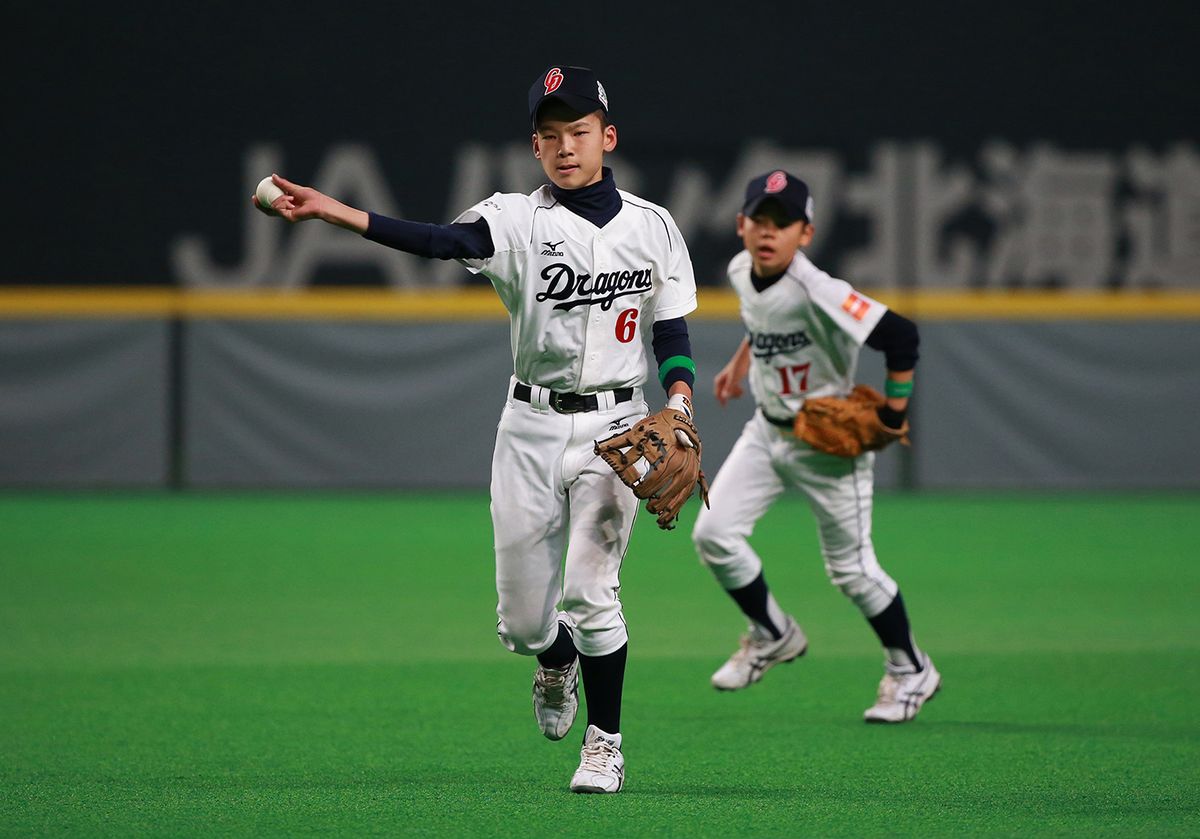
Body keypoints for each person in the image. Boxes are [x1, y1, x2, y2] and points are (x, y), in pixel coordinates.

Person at [254, 66, 700, 791]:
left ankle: (606, 741)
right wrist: (337, 212)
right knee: (524, 623)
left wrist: (678, 398)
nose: (565, 147)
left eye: (579, 132)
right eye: (550, 135)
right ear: (535, 146)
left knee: (592, 590)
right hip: (528, 426)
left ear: (607, 137)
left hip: (618, 427)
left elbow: (672, 330)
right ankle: (554, 659)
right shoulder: (516, 220)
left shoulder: (652, 226)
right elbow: (437, 240)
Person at [690, 170, 940, 723]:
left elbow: (903, 337)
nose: (769, 231)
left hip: (827, 444)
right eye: (760, 219)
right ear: (741, 225)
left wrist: (894, 413)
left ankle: (911, 668)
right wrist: (737, 366)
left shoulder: (819, 289)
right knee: (713, 534)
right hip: (766, 431)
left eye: (784, 223)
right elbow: (762, 323)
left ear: (806, 234)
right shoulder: (740, 270)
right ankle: (772, 633)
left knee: (852, 570)